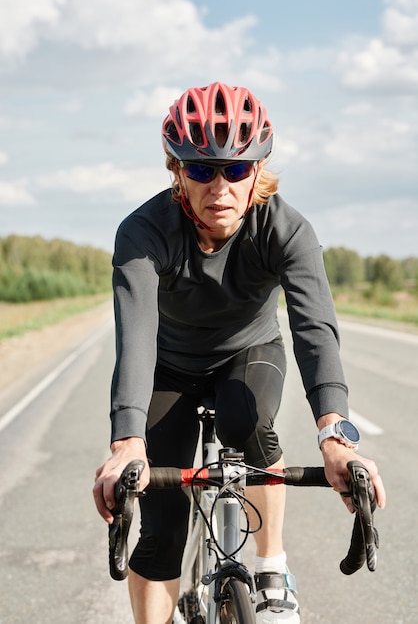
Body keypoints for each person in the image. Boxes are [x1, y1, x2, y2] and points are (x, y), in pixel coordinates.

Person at [93, 82, 386, 624]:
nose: (219, 186)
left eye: (236, 169)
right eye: (201, 170)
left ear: (258, 170)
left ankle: (272, 568)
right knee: (159, 527)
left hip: (248, 354)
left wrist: (335, 438)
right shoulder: (142, 232)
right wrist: (127, 442)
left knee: (245, 418)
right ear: (176, 171)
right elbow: (132, 339)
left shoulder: (285, 228)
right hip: (167, 369)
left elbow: (315, 331)